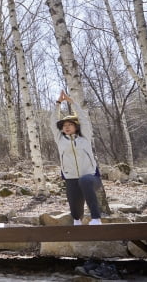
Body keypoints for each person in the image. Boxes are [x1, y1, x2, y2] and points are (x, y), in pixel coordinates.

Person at [53, 90, 103, 225]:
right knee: (75, 209)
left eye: (70, 125)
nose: (67, 127)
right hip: (71, 178)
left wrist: (71, 102)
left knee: (85, 181)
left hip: (91, 178)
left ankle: (96, 218)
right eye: (64, 126)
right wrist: (58, 103)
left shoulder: (85, 137)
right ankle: (77, 221)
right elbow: (53, 122)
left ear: (76, 126)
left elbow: (83, 119)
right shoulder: (60, 140)